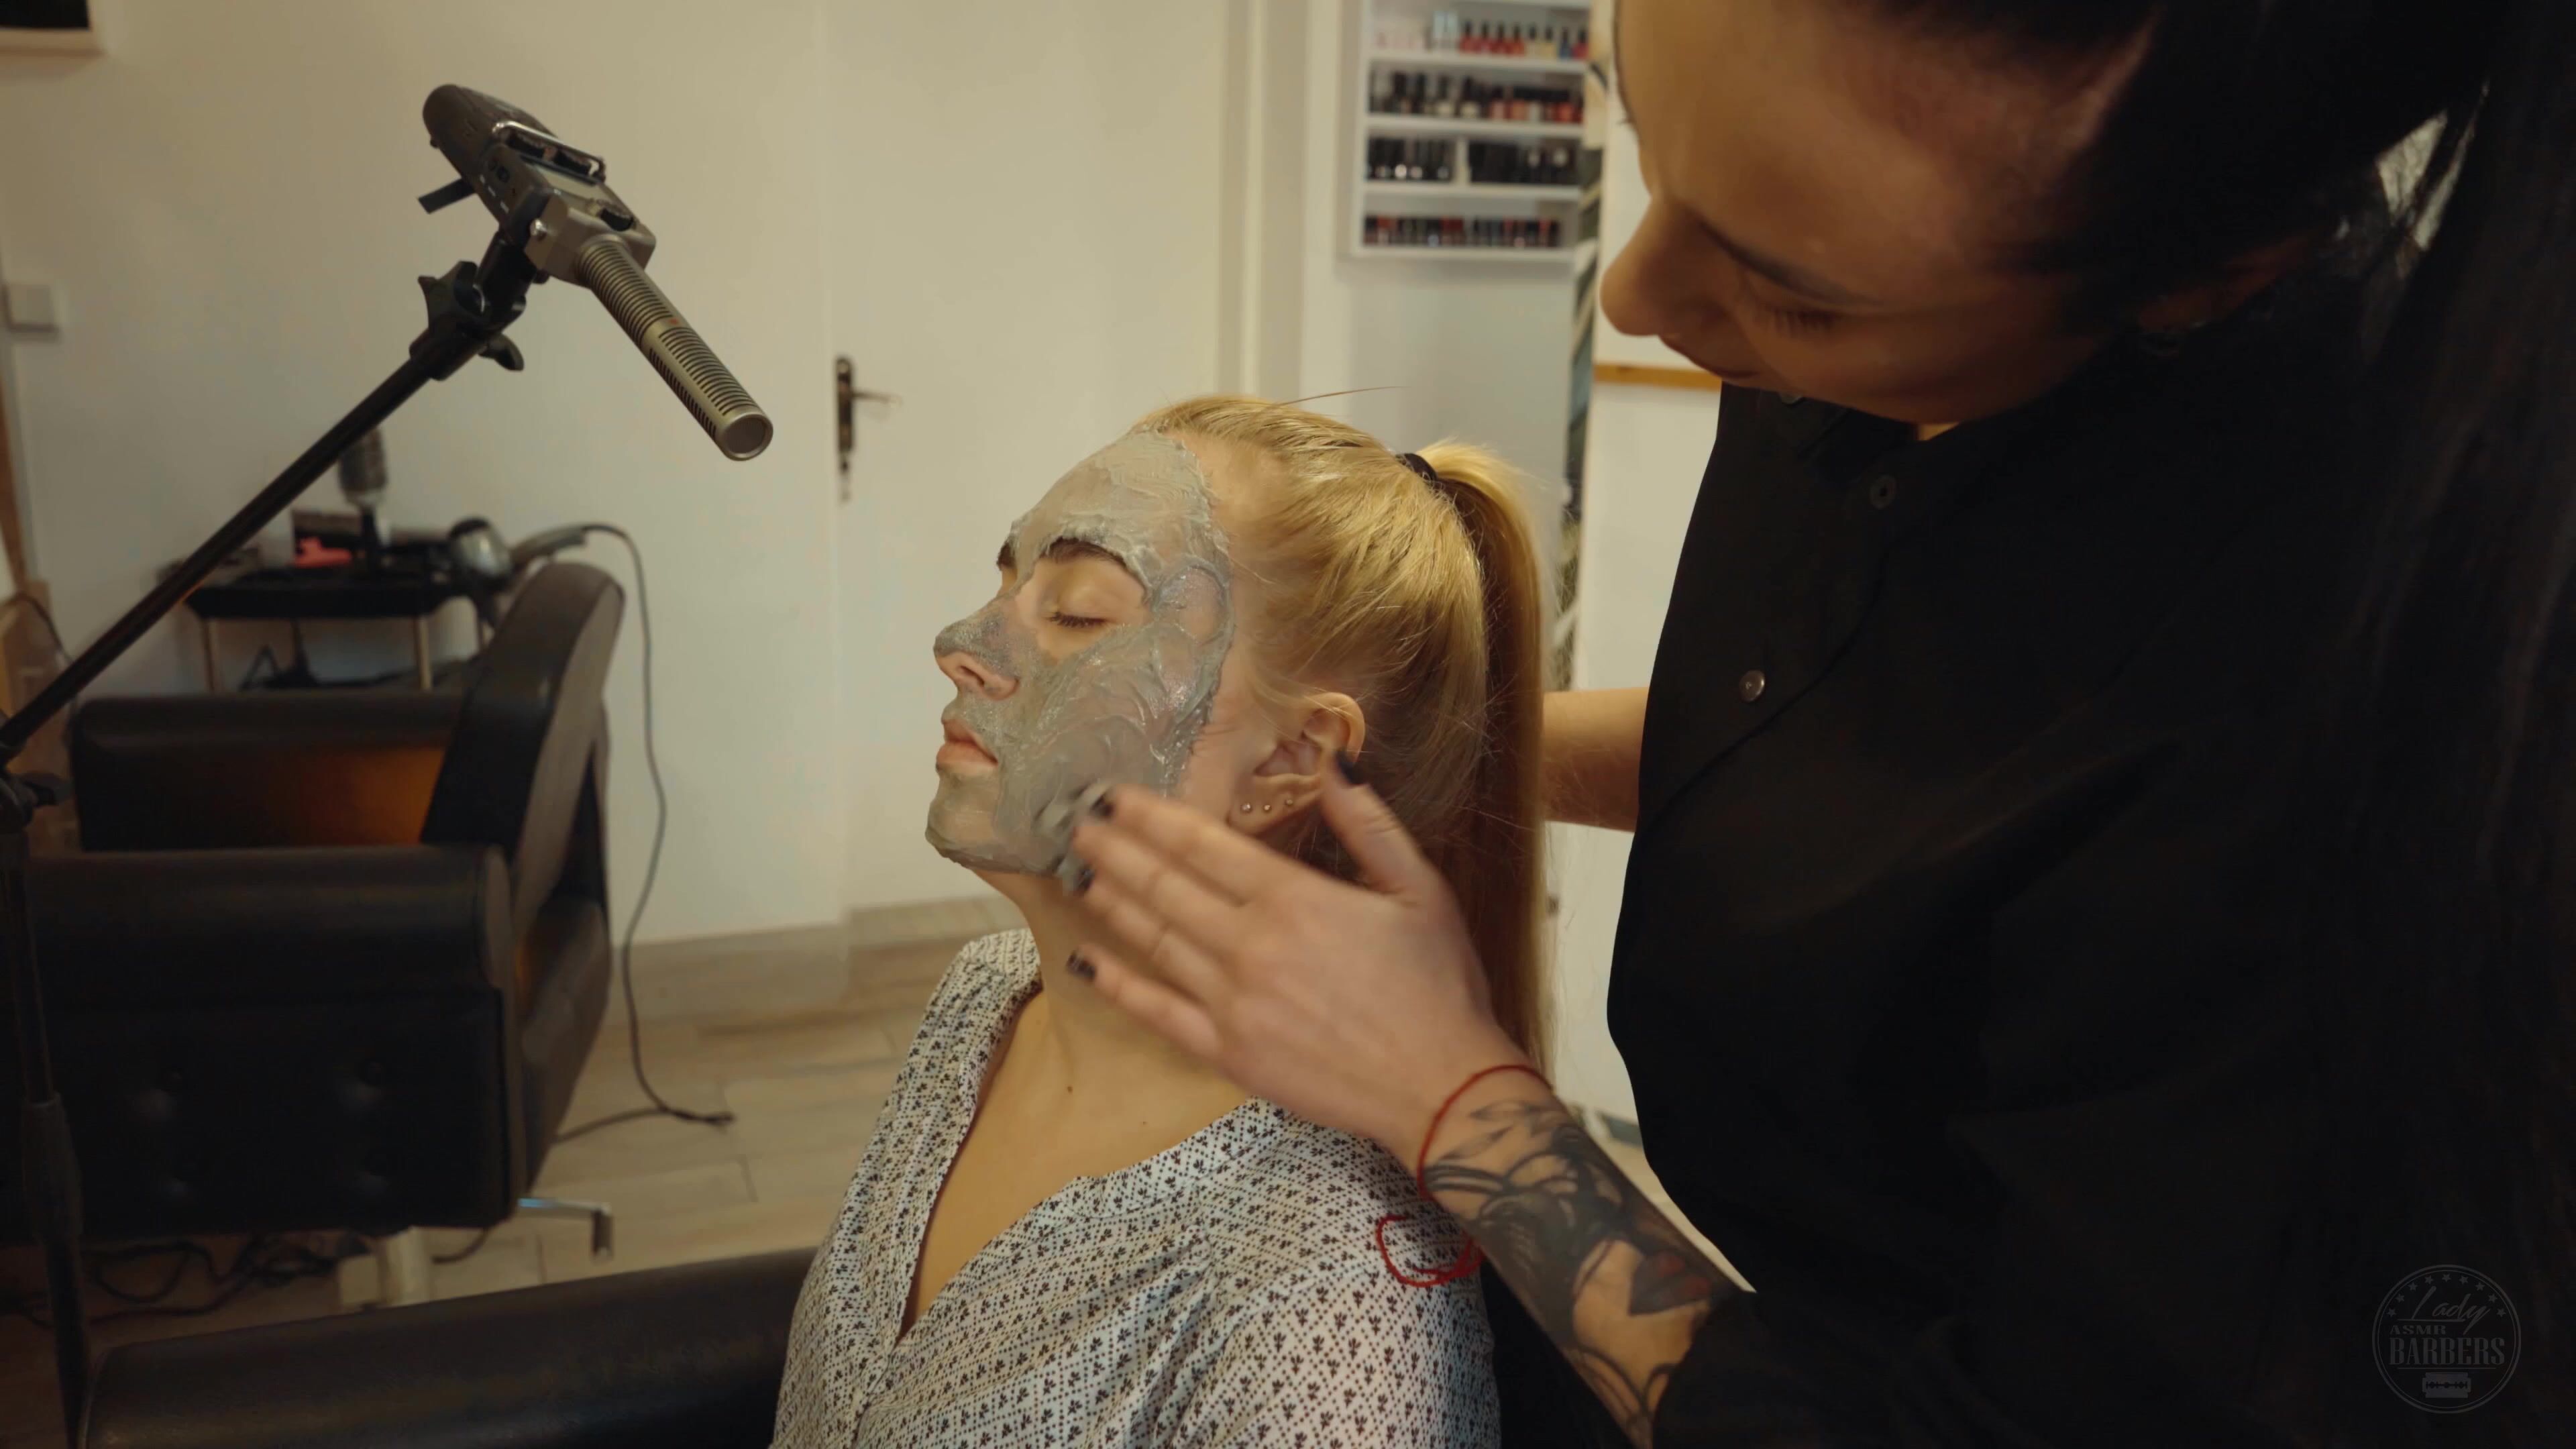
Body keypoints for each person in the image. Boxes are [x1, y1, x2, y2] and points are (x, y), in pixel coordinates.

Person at [1062, 1, 2576, 1445]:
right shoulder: (1876, 311)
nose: (1637, 297)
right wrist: (1406, 756)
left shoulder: (2329, 725)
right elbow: (1852, 752)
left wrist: (1451, 1098)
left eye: (1794, 291)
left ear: (2202, 276)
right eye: (1643, 137)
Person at [770, 397, 1549, 1448]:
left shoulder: (1318, 1296)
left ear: (1290, 760)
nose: (961, 645)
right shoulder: (982, 998)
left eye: (1079, 612)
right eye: (1007, 582)